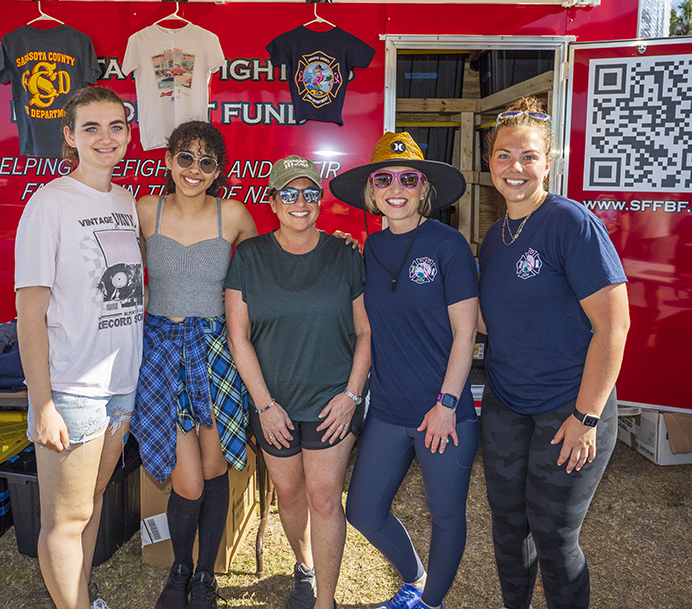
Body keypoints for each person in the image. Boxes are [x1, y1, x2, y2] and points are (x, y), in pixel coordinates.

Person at [477, 97, 630, 609]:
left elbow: (614, 326)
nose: (515, 167)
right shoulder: (494, 237)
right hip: (506, 403)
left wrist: (586, 417)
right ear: (489, 162)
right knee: (507, 528)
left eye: (528, 156)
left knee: (554, 537)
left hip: (568, 408)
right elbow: (491, 319)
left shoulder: (571, 223)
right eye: (503, 155)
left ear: (549, 162)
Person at [329, 132, 479, 609]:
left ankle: (430, 603)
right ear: (371, 191)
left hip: (443, 412)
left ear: (424, 189)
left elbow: (466, 334)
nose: (396, 188)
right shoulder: (367, 250)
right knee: (363, 511)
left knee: (446, 515)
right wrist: (343, 250)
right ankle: (416, 578)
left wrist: (447, 404)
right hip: (389, 411)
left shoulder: (448, 245)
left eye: (408, 179)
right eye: (384, 179)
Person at [15, 86, 142, 609]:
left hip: (121, 388)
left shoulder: (125, 200)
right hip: (71, 390)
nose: (105, 138)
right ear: (69, 136)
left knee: (90, 503)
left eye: (115, 126)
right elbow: (30, 313)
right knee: (65, 521)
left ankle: (80, 599)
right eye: (91, 128)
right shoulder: (49, 204)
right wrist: (43, 403)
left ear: (128, 134)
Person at [224, 155, 370, 609]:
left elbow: (365, 332)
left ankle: (324, 600)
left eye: (309, 192)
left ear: (319, 200)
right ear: (272, 201)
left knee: (324, 498)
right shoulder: (249, 256)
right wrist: (265, 405)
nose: (299, 201)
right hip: (274, 404)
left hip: (332, 402)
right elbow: (238, 336)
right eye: (288, 193)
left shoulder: (346, 254)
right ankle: (304, 566)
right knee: (288, 494)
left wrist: (351, 395)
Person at [132, 121, 258, 609]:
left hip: (215, 353)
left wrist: (336, 243)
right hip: (161, 351)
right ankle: (179, 567)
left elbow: (267, 270)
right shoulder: (145, 210)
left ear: (218, 170)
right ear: (168, 160)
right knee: (186, 480)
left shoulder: (235, 216)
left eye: (207, 162)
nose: (194, 170)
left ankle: (205, 574)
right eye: (185, 157)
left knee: (213, 466)